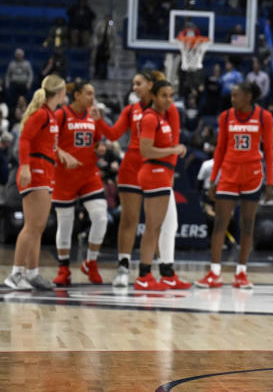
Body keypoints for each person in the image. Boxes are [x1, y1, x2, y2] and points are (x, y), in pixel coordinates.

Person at [97, 71, 190, 289]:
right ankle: (124, 267)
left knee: (163, 224)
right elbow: (112, 134)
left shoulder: (168, 111)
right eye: (133, 84)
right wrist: (98, 121)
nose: (134, 87)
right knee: (130, 219)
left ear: (150, 85)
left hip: (158, 170)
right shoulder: (132, 110)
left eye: (138, 83)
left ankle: (164, 271)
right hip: (133, 168)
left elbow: (174, 143)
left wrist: (171, 174)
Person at [195, 82, 273, 289]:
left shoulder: (263, 117)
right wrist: (213, 179)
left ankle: (241, 273)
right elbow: (220, 149)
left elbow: (269, 151)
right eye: (231, 96)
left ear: (248, 97)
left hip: (253, 174)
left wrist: (270, 182)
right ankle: (214, 273)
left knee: (247, 224)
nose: (232, 100)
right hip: (229, 174)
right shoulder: (226, 117)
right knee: (220, 222)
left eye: (236, 96)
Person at [4, 75, 66, 290]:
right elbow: (25, 140)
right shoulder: (40, 114)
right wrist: (26, 167)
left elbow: (47, 145)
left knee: (38, 227)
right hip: (36, 171)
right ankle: (15, 274)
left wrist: (63, 156)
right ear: (60, 93)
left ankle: (32, 273)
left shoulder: (51, 115)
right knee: (31, 227)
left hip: (46, 171)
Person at [51, 81, 110, 286]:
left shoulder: (93, 116)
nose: (92, 97)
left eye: (93, 93)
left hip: (89, 176)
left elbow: (97, 140)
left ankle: (91, 262)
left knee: (101, 218)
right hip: (64, 176)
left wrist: (100, 147)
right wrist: (62, 153)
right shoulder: (61, 115)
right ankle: (63, 268)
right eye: (88, 93)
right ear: (76, 95)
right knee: (65, 223)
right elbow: (49, 142)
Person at [132, 80, 187, 290]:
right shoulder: (149, 118)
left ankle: (166, 274)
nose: (169, 100)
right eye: (164, 95)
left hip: (161, 173)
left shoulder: (161, 118)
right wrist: (172, 150)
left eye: (171, 96)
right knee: (152, 228)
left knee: (168, 225)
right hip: (153, 171)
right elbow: (146, 151)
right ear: (154, 96)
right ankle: (144, 276)